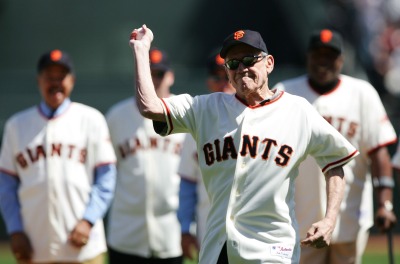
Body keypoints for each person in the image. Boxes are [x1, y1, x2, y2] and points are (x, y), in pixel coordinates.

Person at [129, 24, 359, 264]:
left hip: (272, 249)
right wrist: (141, 50)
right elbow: (150, 107)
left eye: (249, 60)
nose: (241, 69)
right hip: (218, 247)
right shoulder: (205, 108)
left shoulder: (297, 110)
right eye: (232, 63)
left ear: (269, 63)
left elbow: (335, 160)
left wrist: (330, 219)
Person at [274, 29, 397, 264]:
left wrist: (385, 203)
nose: (323, 61)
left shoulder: (362, 93)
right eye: (317, 54)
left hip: (349, 216)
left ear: (341, 59)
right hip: (299, 220)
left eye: (329, 55)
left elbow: (379, 150)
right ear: (308, 57)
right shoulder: (285, 92)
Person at [0, 49, 117, 264]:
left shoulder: (91, 119)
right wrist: (15, 230)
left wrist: (88, 221)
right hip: (34, 246)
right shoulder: (17, 125)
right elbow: (6, 184)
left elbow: (106, 178)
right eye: (49, 77)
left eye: (61, 77)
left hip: (83, 248)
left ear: (71, 80)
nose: (55, 83)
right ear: (39, 81)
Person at [106, 47, 185, 264]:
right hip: (126, 233)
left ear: (171, 76)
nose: (153, 79)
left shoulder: (186, 114)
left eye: (159, 73)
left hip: (171, 232)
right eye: (148, 72)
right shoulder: (116, 116)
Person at [177, 50, 235, 260]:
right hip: (211, 232)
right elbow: (188, 183)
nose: (223, 82)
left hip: (255, 236)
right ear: (208, 81)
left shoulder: (260, 117)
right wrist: (185, 229)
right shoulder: (197, 122)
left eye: (228, 75)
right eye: (216, 77)